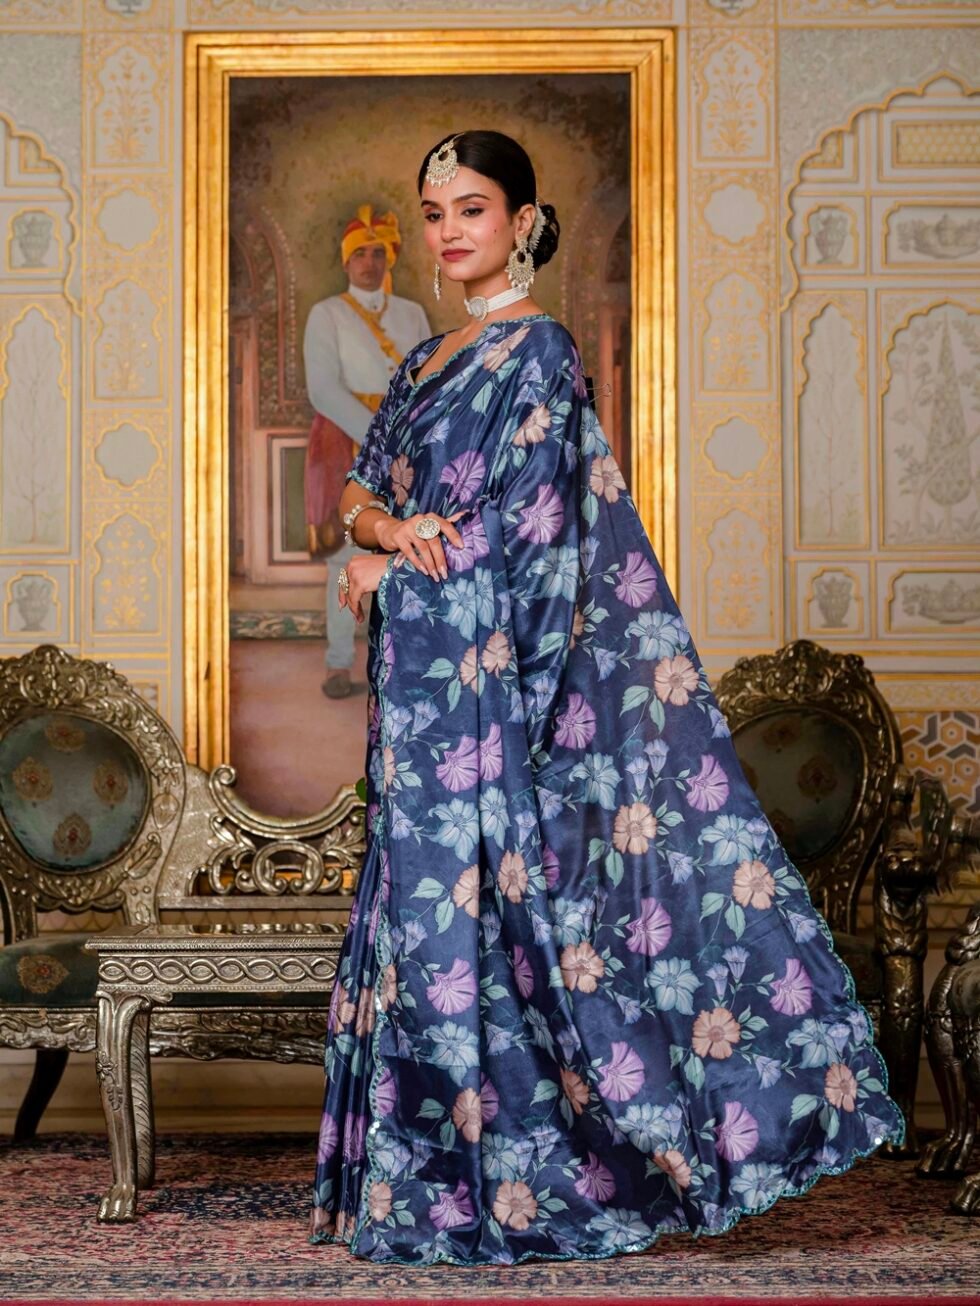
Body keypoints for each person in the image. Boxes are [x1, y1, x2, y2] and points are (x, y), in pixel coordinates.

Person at [309, 130, 904, 1266]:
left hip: (487, 688)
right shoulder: (425, 361)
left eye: (472, 209)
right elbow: (357, 485)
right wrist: (384, 529)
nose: (448, 232)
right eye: (433, 212)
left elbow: (532, 536)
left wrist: (395, 572)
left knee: (505, 913)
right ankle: (425, 1183)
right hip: (424, 697)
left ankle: (548, 1175)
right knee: (422, 909)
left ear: (522, 222)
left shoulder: (537, 353)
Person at [303, 204, 431, 698]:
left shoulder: (411, 314)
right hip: (345, 437)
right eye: (360, 254)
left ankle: (402, 666)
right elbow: (323, 390)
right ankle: (339, 663)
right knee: (345, 555)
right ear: (346, 261)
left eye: (378, 253)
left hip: (405, 443)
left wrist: (408, 439)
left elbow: (427, 382)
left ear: (389, 259)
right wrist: (379, 439)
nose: (369, 263)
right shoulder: (328, 314)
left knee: (406, 548)